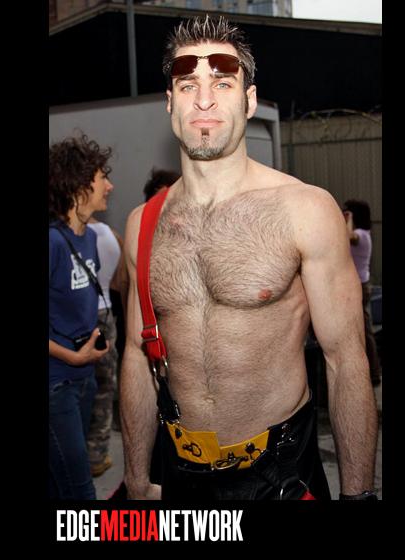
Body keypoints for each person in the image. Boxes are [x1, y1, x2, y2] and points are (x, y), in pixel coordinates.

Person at [120, 14, 378, 501]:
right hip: (180, 474)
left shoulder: (304, 210)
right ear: (170, 102)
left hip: (282, 473)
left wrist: (358, 495)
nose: (204, 99)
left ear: (249, 100)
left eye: (222, 82)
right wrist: (136, 480)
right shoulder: (143, 224)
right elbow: (137, 356)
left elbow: (346, 361)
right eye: (188, 84)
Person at [48, 134, 113, 499]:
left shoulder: (89, 237)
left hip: (84, 378)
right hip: (57, 383)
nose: (110, 186)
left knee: (59, 483)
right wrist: (71, 356)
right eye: (103, 177)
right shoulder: (53, 241)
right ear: (79, 184)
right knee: (80, 491)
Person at [85, 216, 126, 477]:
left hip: (88, 314)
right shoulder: (110, 233)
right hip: (104, 313)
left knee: (90, 387)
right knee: (103, 386)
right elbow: (120, 281)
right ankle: (96, 455)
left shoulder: (75, 234)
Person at [343, 199, 382, 387]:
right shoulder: (365, 234)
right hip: (360, 285)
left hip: (359, 286)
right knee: (363, 330)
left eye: (348, 212)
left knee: (366, 332)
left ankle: (374, 373)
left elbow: (348, 235)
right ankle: (371, 371)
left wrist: (348, 219)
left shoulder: (360, 235)